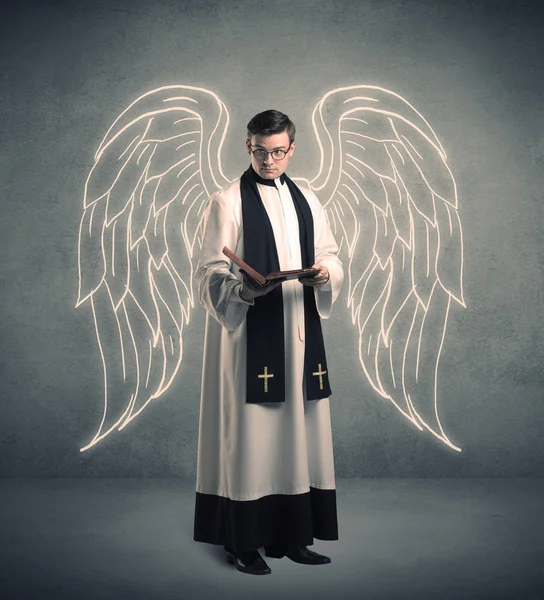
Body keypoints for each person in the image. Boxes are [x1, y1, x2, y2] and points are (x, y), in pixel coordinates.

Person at [193, 109, 344, 575]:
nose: (270, 160)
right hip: (249, 340)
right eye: (261, 151)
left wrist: (324, 273)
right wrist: (241, 290)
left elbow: (330, 254)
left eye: (279, 152)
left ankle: (294, 537)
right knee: (251, 437)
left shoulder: (308, 199)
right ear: (248, 147)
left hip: (298, 335)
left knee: (298, 434)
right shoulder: (227, 201)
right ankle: (244, 543)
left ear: (292, 149)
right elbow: (207, 271)